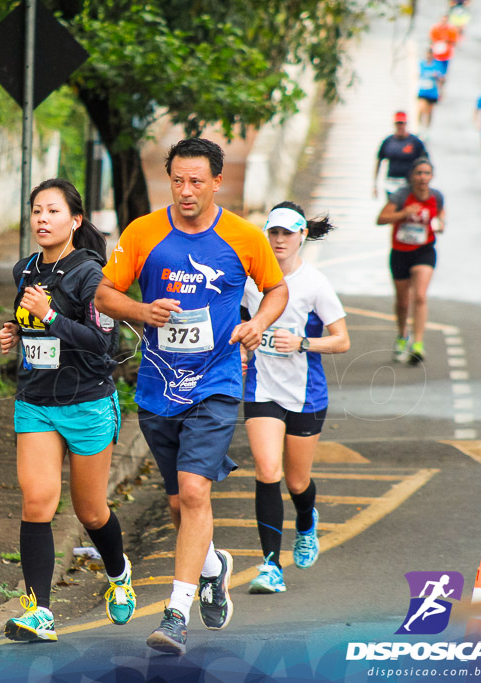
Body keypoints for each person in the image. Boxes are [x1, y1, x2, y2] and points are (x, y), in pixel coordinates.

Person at [94, 138, 287, 655]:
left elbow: (276, 288)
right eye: (177, 180)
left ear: (216, 182)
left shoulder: (244, 237)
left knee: (196, 492)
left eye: (196, 181)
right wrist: (141, 311)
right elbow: (104, 293)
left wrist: (258, 326)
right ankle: (214, 566)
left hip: (217, 382)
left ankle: (175, 614)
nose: (185, 190)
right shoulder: (144, 232)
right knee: (181, 505)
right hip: (159, 387)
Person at [0, 178, 134, 643]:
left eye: (52, 211)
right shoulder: (25, 270)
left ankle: (118, 574)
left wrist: (53, 318)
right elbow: (30, 324)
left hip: (87, 403)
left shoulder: (91, 276)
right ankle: (38, 611)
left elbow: (105, 345)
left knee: (91, 511)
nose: (41, 219)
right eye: (36, 210)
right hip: (36, 402)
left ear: (74, 221)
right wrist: (15, 334)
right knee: (37, 503)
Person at [240, 202, 350, 594]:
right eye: (274, 232)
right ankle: (271, 566)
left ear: (302, 235)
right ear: (265, 235)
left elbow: (342, 339)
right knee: (268, 471)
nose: (280, 240)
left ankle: (307, 522)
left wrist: (303, 342)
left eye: (288, 233)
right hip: (262, 389)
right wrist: (241, 348)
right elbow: (238, 320)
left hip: (306, 395)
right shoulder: (251, 281)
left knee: (298, 481)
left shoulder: (315, 284)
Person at [376, 157, 445, 365]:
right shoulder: (402, 195)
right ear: (412, 176)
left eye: (426, 173)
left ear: (431, 176)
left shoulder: (437, 196)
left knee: (421, 296)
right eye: (419, 173)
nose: (422, 178)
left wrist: (441, 224)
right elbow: (380, 219)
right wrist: (404, 213)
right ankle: (402, 335)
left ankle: (418, 344)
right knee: (403, 302)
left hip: (424, 251)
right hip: (400, 252)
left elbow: (441, 216)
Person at [373, 112, 428, 200]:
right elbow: (379, 161)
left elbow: (425, 162)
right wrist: (375, 184)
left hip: (408, 182)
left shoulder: (414, 141)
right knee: (392, 207)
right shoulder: (388, 141)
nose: (400, 126)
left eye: (402, 123)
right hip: (391, 181)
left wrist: (422, 182)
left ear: (405, 124)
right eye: (398, 123)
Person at [417, 50, 445, 134]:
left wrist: (441, 91)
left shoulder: (437, 65)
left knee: (429, 111)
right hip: (423, 91)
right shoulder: (422, 64)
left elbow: (442, 79)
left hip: (432, 92)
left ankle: (427, 129)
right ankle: (419, 127)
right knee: (421, 109)